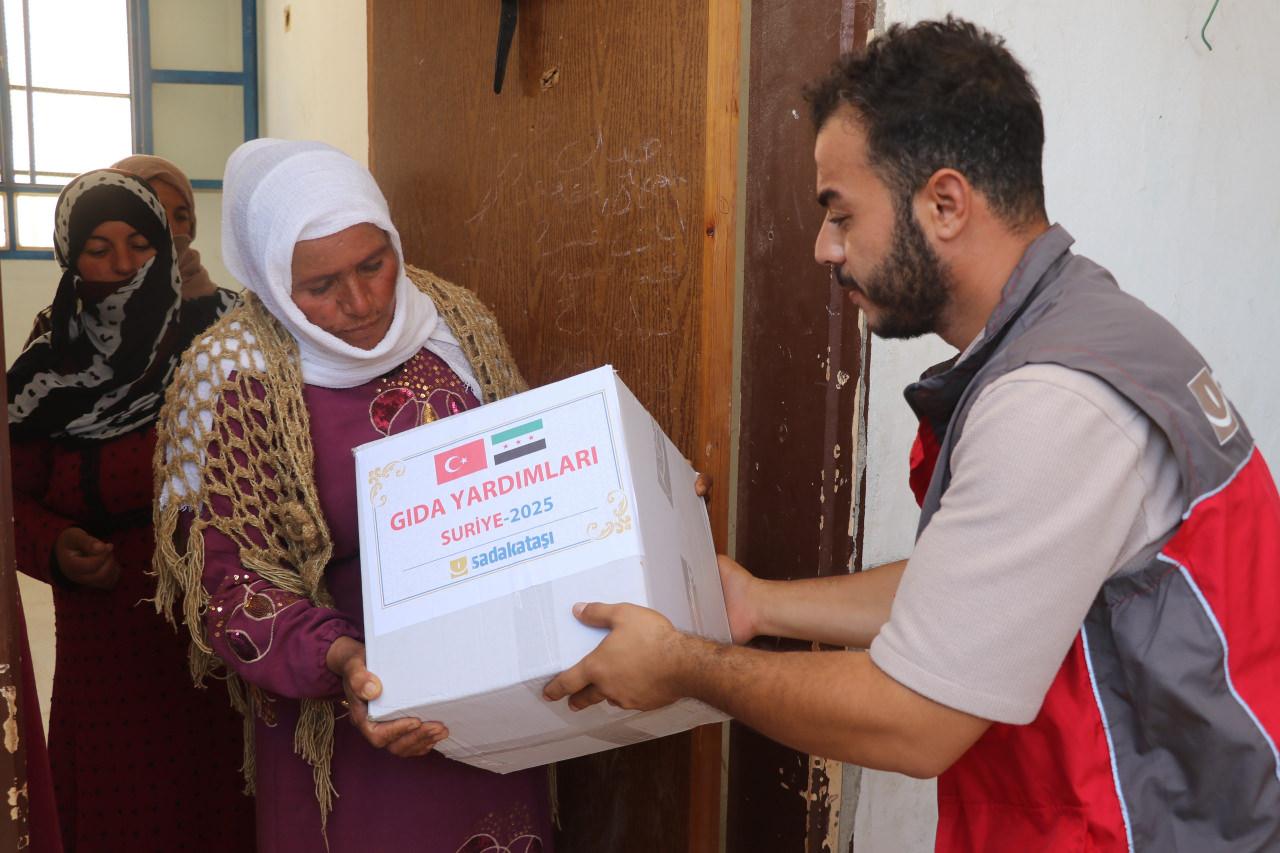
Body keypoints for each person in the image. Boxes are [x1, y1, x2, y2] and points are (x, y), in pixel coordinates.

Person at [543, 17, 1280, 852]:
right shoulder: (1084, 326)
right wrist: (758, 603)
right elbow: (976, 588)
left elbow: (915, 719)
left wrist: (682, 666)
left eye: (840, 214)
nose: (823, 248)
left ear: (945, 203)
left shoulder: (1053, 402)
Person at [152, 139, 552, 853]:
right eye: (320, 286)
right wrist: (345, 662)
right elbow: (230, 583)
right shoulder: (234, 375)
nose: (362, 302)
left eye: (374, 264)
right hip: (343, 710)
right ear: (272, 279)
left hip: (489, 678)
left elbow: (524, 468)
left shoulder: (453, 324)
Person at [7, 169, 251, 849]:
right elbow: (9, 501)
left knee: (225, 808)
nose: (122, 264)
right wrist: (53, 545)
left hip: (217, 631)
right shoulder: (46, 369)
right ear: (70, 258)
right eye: (99, 248)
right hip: (107, 649)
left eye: (141, 243)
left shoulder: (223, 337)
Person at [25, 155, 219, 348]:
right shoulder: (59, 324)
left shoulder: (223, 315)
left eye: (181, 217)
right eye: (157, 215)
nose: (171, 230)